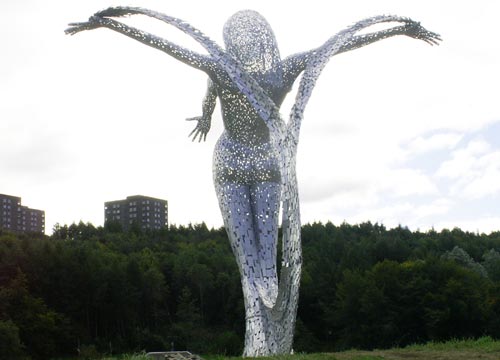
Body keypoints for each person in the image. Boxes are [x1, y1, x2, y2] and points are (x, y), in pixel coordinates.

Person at [66, 8, 440, 355]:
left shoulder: (229, 67)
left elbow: (166, 43)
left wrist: (109, 23)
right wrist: (399, 28)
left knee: (259, 257)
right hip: (248, 163)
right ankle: (263, 340)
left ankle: (267, 341)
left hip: (249, 163)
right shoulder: (265, 70)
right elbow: (339, 44)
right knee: (253, 258)